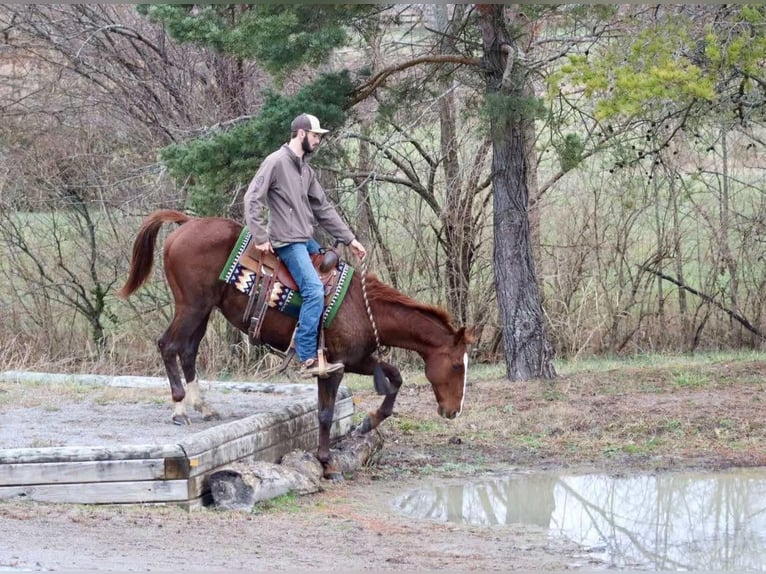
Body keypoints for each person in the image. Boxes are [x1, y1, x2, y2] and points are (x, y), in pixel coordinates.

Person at [244, 113, 367, 378]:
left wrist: (350, 239)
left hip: (305, 240)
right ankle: (307, 356)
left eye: (319, 136)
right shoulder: (275, 162)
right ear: (301, 134)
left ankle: (330, 346)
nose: (318, 141)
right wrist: (260, 237)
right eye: (315, 136)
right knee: (313, 290)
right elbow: (252, 197)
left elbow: (323, 208)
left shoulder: (305, 170)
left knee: (335, 276)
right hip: (287, 242)